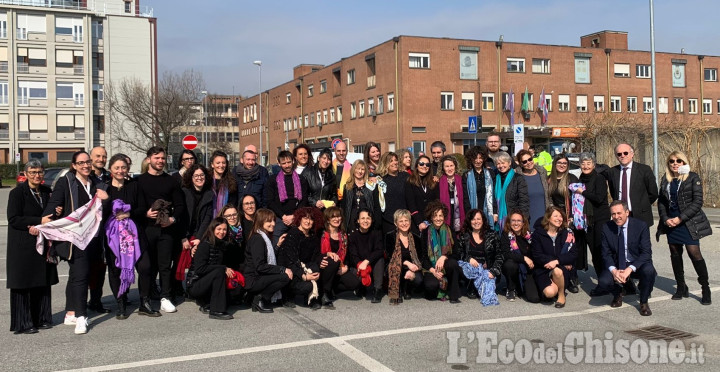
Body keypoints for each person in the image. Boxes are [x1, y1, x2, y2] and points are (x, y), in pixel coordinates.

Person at [44, 151, 109, 334]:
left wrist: (106, 199)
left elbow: (104, 207)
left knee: (76, 275)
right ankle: (81, 316)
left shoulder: (97, 183)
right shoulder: (67, 182)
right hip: (75, 239)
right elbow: (55, 204)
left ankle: (71, 312)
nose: (85, 165)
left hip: (94, 238)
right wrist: (47, 218)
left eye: (88, 162)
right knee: (81, 275)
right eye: (81, 163)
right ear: (74, 165)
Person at [103, 154, 159, 319]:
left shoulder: (135, 186)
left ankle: (145, 302)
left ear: (127, 169)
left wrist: (129, 213)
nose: (120, 171)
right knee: (115, 270)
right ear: (110, 170)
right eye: (116, 168)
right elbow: (99, 213)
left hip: (135, 234)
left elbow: (143, 208)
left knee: (145, 267)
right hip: (113, 237)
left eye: (123, 167)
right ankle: (121, 302)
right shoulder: (105, 188)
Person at [7, 160, 58, 334]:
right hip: (23, 245)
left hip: (43, 244)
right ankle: (24, 322)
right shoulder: (17, 193)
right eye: (33, 172)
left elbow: (49, 215)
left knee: (42, 282)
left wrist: (57, 212)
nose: (37, 175)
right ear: (26, 174)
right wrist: (37, 222)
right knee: (24, 283)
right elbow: (13, 219)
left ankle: (42, 318)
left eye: (40, 172)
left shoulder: (46, 192)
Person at [657, 151, 712, 305]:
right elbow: (661, 201)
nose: (675, 163)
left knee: (694, 253)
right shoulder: (665, 179)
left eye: (679, 161)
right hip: (671, 223)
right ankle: (681, 287)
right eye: (672, 161)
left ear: (684, 163)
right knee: (675, 253)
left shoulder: (692, 177)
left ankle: (705, 288)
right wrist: (665, 218)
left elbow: (697, 202)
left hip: (688, 222)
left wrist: (680, 218)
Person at [136, 146, 185, 314]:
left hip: (166, 230)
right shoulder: (139, 181)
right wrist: (145, 213)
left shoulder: (171, 181)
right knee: (147, 266)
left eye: (163, 158)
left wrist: (172, 219)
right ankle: (147, 297)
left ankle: (165, 297)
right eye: (157, 158)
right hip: (146, 229)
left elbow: (180, 205)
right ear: (149, 159)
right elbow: (134, 207)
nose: (160, 161)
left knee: (165, 265)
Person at [598, 201, 657, 316]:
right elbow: (605, 253)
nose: (616, 217)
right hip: (617, 264)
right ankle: (617, 293)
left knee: (649, 271)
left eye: (619, 213)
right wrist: (614, 271)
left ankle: (643, 301)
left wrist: (630, 269)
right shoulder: (606, 227)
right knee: (604, 281)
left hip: (635, 263)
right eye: (613, 214)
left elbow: (646, 253)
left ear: (627, 212)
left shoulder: (640, 226)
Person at [186, 218, 239, 320]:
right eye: (219, 229)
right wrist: (223, 268)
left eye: (224, 229)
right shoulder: (204, 245)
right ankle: (216, 310)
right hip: (195, 284)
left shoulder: (224, 245)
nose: (222, 232)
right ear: (212, 229)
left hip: (210, 282)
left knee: (234, 296)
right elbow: (200, 269)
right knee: (219, 271)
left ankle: (207, 302)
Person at [574, 153, 611, 296]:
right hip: (587, 220)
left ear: (594, 165)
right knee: (594, 253)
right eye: (583, 163)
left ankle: (607, 282)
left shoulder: (600, 178)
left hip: (600, 219)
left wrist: (583, 192)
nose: (586, 166)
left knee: (601, 251)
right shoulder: (581, 179)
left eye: (589, 163)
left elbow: (599, 198)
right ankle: (604, 283)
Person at [243, 208, 292, 313]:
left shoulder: (263, 237)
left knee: (284, 274)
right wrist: (282, 269)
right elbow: (260, 266)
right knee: (284, 277)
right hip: (253, 279)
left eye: (274, 220)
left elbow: (266, 257)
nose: (273, 224)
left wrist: (278, 245)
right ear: (261, 221)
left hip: (258, 276)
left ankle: (257, 297)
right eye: (269, 221)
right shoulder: (258, 239)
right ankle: (260, 299)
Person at [530, 207, 577, 309]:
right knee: (550, 293)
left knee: (557, 271)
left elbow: (573, 254)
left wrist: (557, 261)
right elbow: (537, 255)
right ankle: (555, 288)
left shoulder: (567, 233)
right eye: (555, 216)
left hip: (560, 268)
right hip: (543, 268)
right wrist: (554, 261)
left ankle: (561, 295)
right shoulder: (538, 234)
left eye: (561, 216)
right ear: (548, 218)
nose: (559, 218)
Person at [276, 207, 323, 309]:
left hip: (305, 267)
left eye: (311, 219)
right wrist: (304, 276)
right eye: (305, 218)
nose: (308, 221)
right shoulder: (293, 234)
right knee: (307, 286)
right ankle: (287, 296)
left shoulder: (313, 236)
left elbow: (315, 257)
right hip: (291, 270)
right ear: (300, 219)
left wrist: (317, 268)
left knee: (316, 267)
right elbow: (290, 262)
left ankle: (311, 300)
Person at [548, 154, 581, 293]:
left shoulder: (571, 179)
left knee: (569, 248)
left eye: (565, 163)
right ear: (555, 164)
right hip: (554, 217)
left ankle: (572, 278)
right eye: (559, 162)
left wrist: (573, 216)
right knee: (557, 247)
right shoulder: (550, 179)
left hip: (568, 217)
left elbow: (578, 199)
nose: (562, 165)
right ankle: (558, 276)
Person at [605, 142, 659, 228]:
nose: (622, 156)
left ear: (632, 154)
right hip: (620, 215)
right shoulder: (612, 172)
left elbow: (653, 193)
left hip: (639, 214)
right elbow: (613, 192)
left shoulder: (644, 169)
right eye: (619, 154)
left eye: (625, 153)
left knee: (641, 241)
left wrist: (641, 205)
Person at [455, 209, 503, 305]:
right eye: (473, 219)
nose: (476, 222)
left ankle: (479, 287)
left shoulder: (492, 235)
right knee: (462, 267)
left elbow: (499, 255)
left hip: (488, 270)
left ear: (483, 220)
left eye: (478, 219)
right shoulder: (464, 236)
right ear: (469, 221)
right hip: (471, 269)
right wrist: (468, 259)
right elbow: (458, 253)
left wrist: (493, 271)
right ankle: (471, 286)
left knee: (487, 287)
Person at [318, 207, 361, 308]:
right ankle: (324, 293)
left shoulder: (343, 235)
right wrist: (327, 254)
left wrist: (346, 266)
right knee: (334, 260)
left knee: (355, 283)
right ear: (328, 219)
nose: (337, 219)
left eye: (339, 216)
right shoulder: (321, 234)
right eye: (333, 217)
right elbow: (316, 253)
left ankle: (333, 288)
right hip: (324, 266)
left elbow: (348, 254)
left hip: (339, 267)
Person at [420, 201, 462, 303]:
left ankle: (453, 295)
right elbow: (423, 257)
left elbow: (456, 253)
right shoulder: (425, 232)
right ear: (431, 217)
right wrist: (434, 271)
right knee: (431, 287)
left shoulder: (449, 230)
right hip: (431, 267)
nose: (438, 218)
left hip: (446, 266)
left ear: (444, 216)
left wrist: (444, 257)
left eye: (440, 215)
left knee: (453, 263)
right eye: (435, 216)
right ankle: (438, 288)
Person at [384, 209, 426, 305]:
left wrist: (412, 269)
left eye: (406, 220)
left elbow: (421, 257)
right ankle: (397, 292)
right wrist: (407, 263)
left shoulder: (416, 238)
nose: (404, 223)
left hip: (412, 267)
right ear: (396, 223)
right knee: (396, 269)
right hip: (395, 266)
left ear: (410, 222)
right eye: (401, 221)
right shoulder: (390, 236)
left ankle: (407, 289)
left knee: (418, 279)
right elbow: (390, 257)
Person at [266, 150, 309, 242]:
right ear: (279, 164)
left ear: (293, 161)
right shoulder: (273, 180)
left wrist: (294, 216)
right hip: (280, 218)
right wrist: (283, 216)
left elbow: (304, 200)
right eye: (284, 163)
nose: (287, 165)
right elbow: (270, 201)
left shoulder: (301, 179)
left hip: (296, 217)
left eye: (289, 162)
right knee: (276, 243)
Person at [87, 146, 110, 313]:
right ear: (90, 157)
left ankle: (95, 301)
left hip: (104, 229)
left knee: (100, 268)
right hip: (86, 230)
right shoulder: (84, 177)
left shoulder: (109, 177)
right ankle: (76, 306)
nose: (101, 159)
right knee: (82, 270)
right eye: (98, 156)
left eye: (104, 156)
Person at [501, 211, 540, 303]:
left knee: (534, 298)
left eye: (519, 221)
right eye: (513, 220)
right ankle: (511, 288)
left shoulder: (529, 236)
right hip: (513, 266)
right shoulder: (506, 235)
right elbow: (506, 254)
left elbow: (536, 252)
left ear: (523, 223)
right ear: (509, 222)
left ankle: (520, 286)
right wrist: (524, 258)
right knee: (509, 264)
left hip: (527, 269)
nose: (516, 223)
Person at [348, 209, 385, 303]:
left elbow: (379, 250)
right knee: (354, 269)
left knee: (380, 259)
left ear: (372, 220)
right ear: (358, 220)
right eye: (362, 218)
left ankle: (377, 290)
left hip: (372, 265)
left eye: (368, 218)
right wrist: (361, 264)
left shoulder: (376, 233)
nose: (365, 221)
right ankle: (361, 287)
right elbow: (353, 255)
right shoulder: (352, 236)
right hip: (359, 266)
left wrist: (367, 261)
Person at [181, 164, 214, 258]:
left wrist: (199, 238)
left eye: (202, 175)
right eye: (196, 175)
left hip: (199, 234)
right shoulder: (184, 192)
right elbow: (180, 217)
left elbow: (207, 218)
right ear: (191, 177)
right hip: (183, 235)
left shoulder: (209, 194)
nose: (199, 178)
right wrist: (183, 237)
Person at [493, 152, 529, 231]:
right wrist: (494, 213)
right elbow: (493, 199)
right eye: (498, 163)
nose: (501, 166)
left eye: (503, 163)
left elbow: (524, 201)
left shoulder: (518, 178)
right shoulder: (495, 179)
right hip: (498, 220)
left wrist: (522, 219)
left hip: (514, 220)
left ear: (509, 163)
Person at [341, 160, 380, 233]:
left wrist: (376, 224)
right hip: (351, 223)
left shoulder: (371, 187)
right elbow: (344, 207)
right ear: (353, 170)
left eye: (362, 169)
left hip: (367, 222)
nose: (360, 171)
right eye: (358, 168)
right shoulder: (347, 187)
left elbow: (376, 206)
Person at [375, 152, 409, 235]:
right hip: (388, 221)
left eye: (396, 160)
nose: (395, 163)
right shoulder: (380, 180)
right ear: (385, 163)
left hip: (404, 220)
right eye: (391, 161)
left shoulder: (405, 176)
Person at [405, 155, 439, 235]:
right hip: (416, 222)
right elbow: (411, 204)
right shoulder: (410, 181)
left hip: (432, 221)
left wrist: (433, 219)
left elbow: (437, 201)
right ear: (416, 165)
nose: (424, 166)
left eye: (427, 165)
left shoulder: (433, 182)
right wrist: (419, 222)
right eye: (421, 164)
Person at [515, 149, 549, 229]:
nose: (528, 163)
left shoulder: (542, 172)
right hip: (527, 218)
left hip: (544, 217)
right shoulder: (517, 176)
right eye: (524, 161)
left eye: (530, 159)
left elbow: (548, 195)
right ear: (520, 164)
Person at [463, 146, 496, 226]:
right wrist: (470, 214)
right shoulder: (466, 175)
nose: (478, 161)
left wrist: (495, 212)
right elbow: (465, 197)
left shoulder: (491, 173)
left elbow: (494, 194)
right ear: (471, 159)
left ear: (484, 159)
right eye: (475, 158)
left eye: (480, 158)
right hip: (473, 212)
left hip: (489, 212)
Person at [437, 155, 465, 233]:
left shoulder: (461, 180)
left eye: (451, 166)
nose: (450, 169)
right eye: (447, 166)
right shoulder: (439, 181)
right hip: (445, 212)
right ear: (443, 168)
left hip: (459, 211)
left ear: (455, 166)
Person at [209, 150, 237, 216]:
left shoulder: (231, 182)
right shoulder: (207, 181)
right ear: (212, 165)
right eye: (218, 163)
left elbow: (232, 203)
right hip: (209, 219)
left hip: (226, 218)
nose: (221, 165)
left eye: (223, 163)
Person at [219, 204, 245, 272]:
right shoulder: (221, 234)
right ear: (223, 217)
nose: (232, 217)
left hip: (239, 270)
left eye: (234, 214)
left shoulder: (241, 231)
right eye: (228, 216)